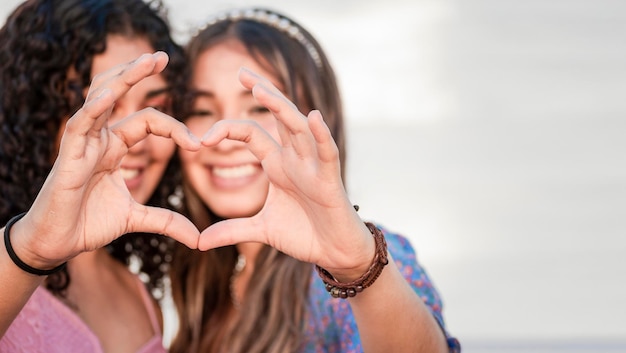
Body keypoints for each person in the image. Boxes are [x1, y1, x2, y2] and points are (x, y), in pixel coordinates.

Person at [169, 7, 461, 353]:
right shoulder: (206, 277)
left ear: (317, 122)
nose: (229, 135)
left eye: (261, 108)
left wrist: (360, 271)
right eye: (201, 111)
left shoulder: (364, 266)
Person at [0, 0, 198, 351]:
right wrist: (30, 252)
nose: (135, 137)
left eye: (155, 107)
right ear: (34, 113)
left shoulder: (144, 299)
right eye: (102, 107)